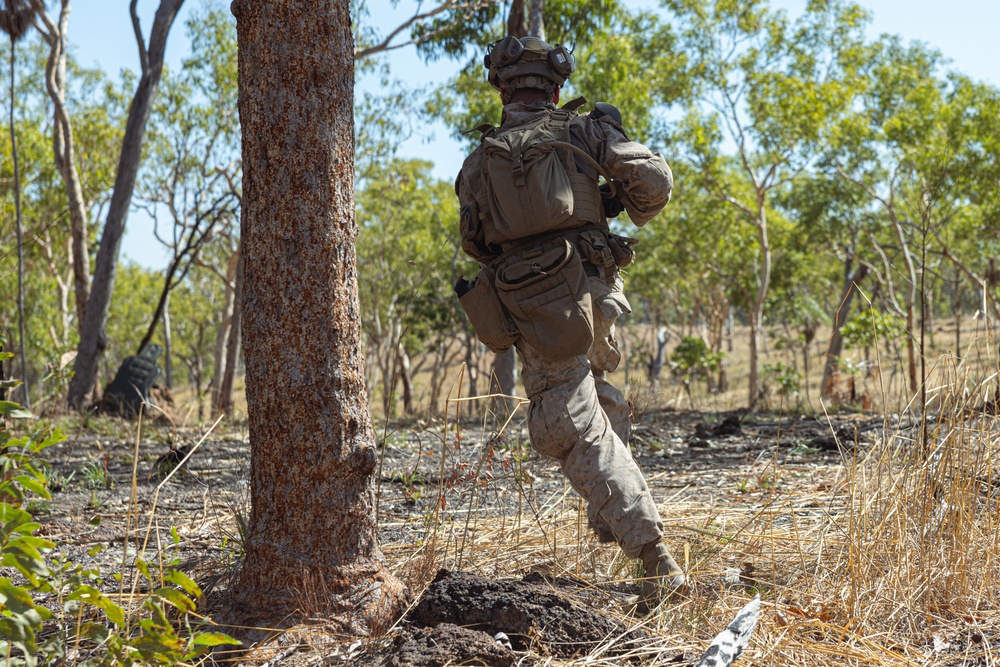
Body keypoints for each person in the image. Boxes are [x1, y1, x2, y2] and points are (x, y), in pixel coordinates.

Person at [454, 35, 683, 613]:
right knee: (593, 399)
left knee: (561, 423)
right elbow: (653, 186)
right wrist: (610, 201)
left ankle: (652, 555)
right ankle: (612, 515)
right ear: (555, 88)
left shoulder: (479, 160)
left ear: (501, 88)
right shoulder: (585, 131)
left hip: (540, 310)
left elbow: (475, 243)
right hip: (598, 295)